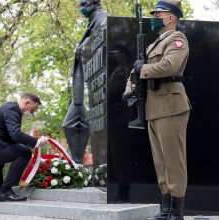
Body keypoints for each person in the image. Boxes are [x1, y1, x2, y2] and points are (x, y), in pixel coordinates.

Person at [124, 0, 191, 219]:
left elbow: (168, 66)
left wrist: (142, 68)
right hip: (153, 107)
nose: (154, 17)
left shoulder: (177, 39)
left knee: (174, 161)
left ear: (170, 17)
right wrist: (129, 88)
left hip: (171, 105)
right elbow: (136, 72)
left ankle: (176, 211)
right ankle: (165, 209)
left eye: (158, 14)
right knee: (161, 163)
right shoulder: (153, 45)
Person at [62, 0, 108, 164]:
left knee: (97, 128)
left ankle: (101, 164)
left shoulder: (103, 18)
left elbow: (103, 44)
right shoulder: (92, 21)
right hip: (81, 89)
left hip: (92, 88)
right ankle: (77, 162)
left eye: (84, 4)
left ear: (95, 3)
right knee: (69, 125)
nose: (81, 8)